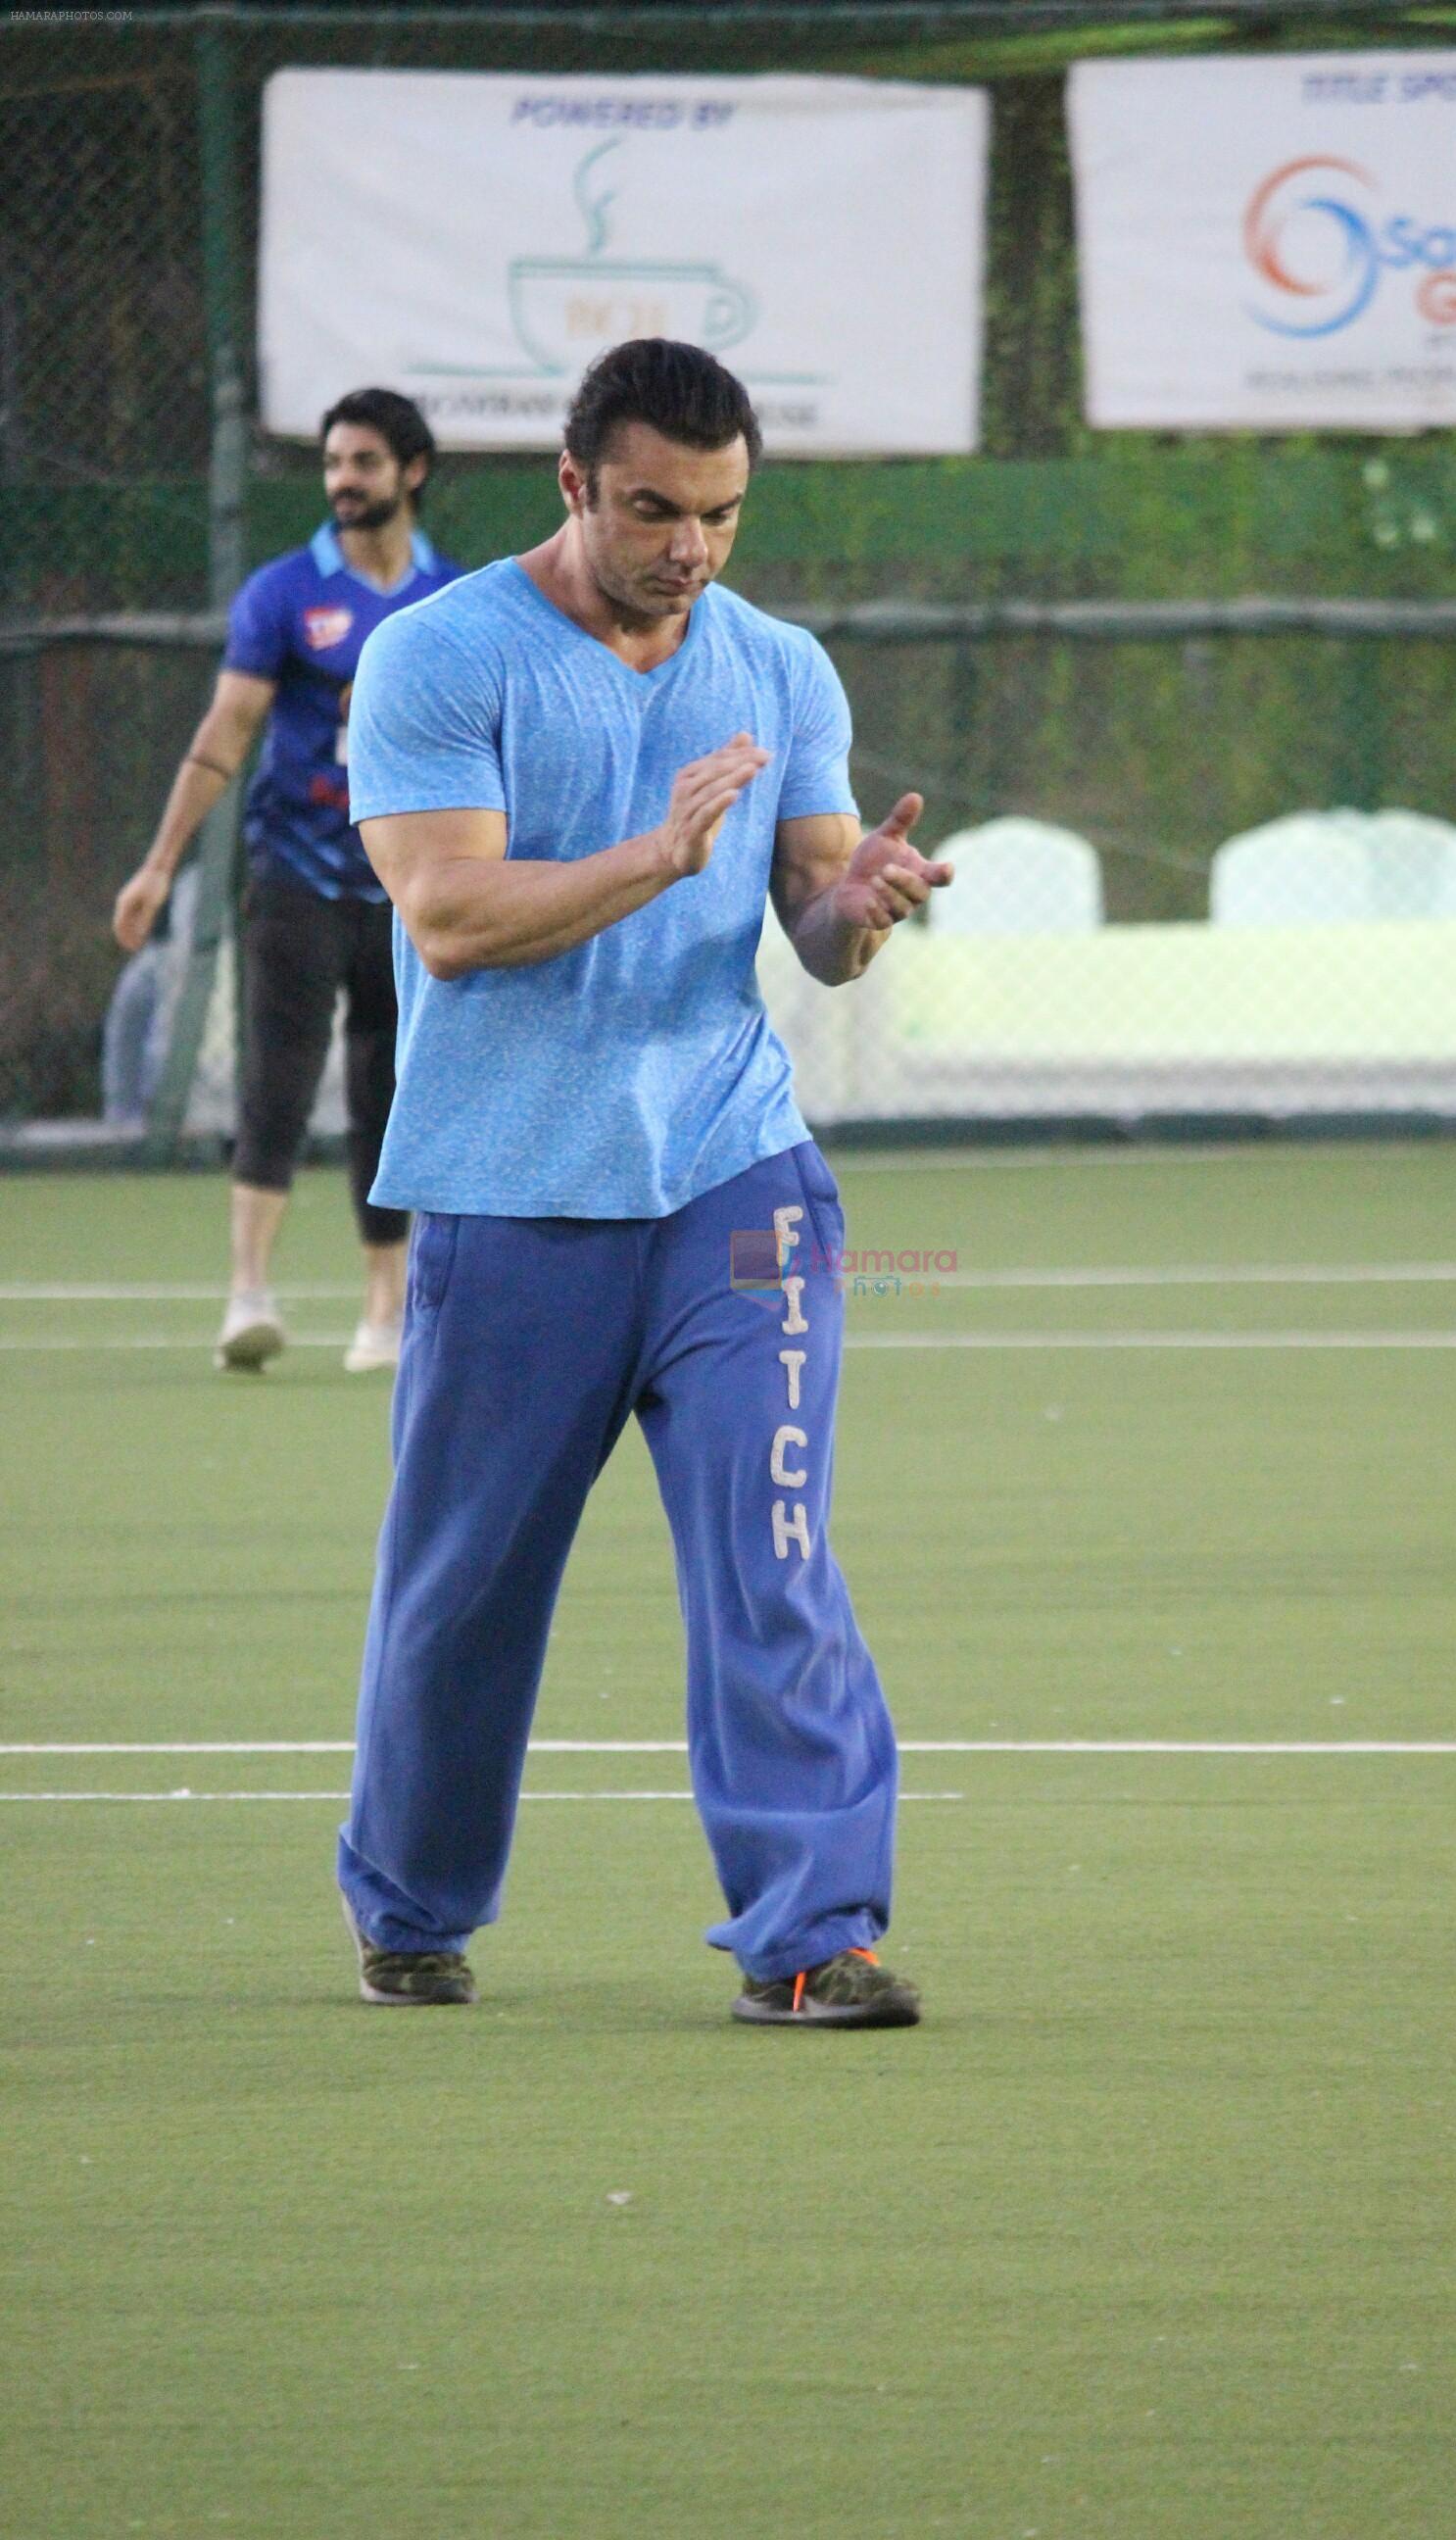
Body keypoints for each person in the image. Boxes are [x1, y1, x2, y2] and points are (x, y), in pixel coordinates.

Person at [336, 338, 952, 2027]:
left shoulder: (777, 666)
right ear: (572, 487)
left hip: (732, 1190)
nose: (691, 545)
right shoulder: (435, 657)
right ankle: (410, 1898)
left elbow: (814, 931)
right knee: (462, 1596)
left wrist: (859, 899)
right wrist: (652, 856)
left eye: (723, 512)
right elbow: (450, 918)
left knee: (773, 1551)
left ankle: (810, 1931)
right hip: (507, 1193)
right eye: (655, 509)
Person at [112, 389, 462, 1374]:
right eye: (333, 464)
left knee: (388, 1092)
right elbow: (225, 733)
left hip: (410, 891)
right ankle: (248, 1295)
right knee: (277, 1081)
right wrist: (157, 866)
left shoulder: (457, 601)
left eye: (362, 462)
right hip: (296, 872)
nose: (343, 481)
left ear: (412, 472)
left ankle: (384, 1312)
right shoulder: (280, 593)